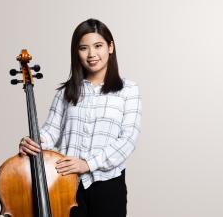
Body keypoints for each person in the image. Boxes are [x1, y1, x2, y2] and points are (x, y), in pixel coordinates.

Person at [19, 18, 142, 217]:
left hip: (108, 185)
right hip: (66, 184)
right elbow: (50, 132)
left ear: (110, 47)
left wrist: (88, 164)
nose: (92, 54)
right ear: (76, 53)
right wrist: (32, 142)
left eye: (98, 46)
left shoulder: (128, 90)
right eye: (83, 48)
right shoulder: (66, 92)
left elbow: (127, 140)